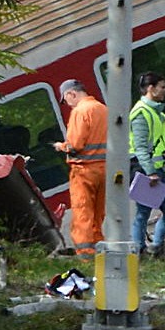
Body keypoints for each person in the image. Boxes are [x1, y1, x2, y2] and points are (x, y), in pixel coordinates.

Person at [52, 79, 107, 257]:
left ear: (71, 94)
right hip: (104, 169)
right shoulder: (102, 109)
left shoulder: (80, 111)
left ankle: (85, 254)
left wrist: (61, 146)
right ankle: (99, 250)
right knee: (98, 213)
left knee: (83, 212)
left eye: (66, 100)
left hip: (84, 171)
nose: (67, 104)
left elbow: (75, 144)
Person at [128, 71, 165, 257]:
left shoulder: (157, 113)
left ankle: (153, 247)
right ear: (151, 88)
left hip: (157, 171)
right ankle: (142, 249)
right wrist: (151, 172)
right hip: (147, 172)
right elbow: (140, 147)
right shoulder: (141, 114)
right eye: (162, 87)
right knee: (145, 212)